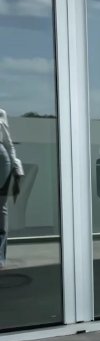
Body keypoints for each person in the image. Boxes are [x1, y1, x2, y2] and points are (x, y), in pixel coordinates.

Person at [0, 108, 24, 269]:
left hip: (1, 159)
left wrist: (16, 166)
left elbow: (8, 143)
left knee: (1, 208)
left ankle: (0, 256)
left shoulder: (1, 113)